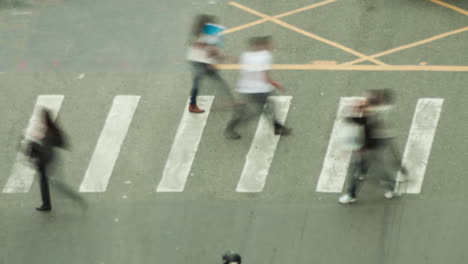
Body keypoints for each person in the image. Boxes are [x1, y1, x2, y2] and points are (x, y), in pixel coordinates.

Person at [339, 89, 407, 204]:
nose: (364, 103)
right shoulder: (374, 114)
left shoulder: (370, 116)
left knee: (365, 171)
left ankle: (351, 194)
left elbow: (361, 125)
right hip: (371, 146)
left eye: (367, 101)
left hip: (369, 148)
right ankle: (390, 187)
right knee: (373, 168)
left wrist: (351, 115)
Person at [224, 36, 291, 139]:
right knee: (255, 111)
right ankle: (231, 128)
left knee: (267, 108)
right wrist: (277, 85)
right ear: (262, 45)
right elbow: (266, 77)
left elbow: (241, 69)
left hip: (249, 88)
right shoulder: (265, 56)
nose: (272, 46)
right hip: (258, 89)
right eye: (269, 44)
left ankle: (277, 127)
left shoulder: (246, 55)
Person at [23, 108, 86, 212]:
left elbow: (45, 148)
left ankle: (71, 199)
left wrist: (35, 146)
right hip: (50, 157)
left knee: (51, 183)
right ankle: (46, 204)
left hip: (45, 159)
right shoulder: (51, 129)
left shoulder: (49, 132)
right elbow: (60, 143)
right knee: (46, 181)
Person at [186, 14, 235, 113]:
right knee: (202, 83)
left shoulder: (200, 33)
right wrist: (225, 57)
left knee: (201, 83)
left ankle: (193, 104)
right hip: (200, 62)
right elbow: (210, 49)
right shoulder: (205, 34)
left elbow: (208, 48)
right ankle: (192, 105)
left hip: (198, 61)